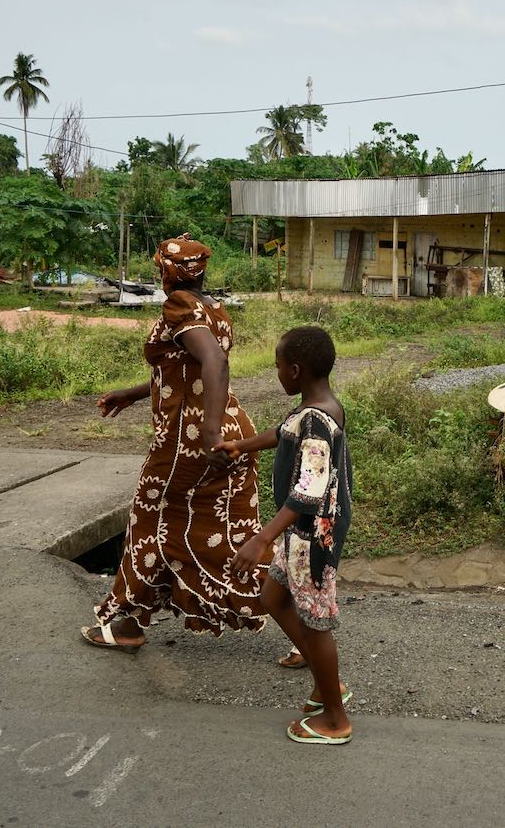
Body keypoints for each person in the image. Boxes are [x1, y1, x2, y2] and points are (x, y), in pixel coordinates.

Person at [81, 234, 266, 651]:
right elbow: (184, 371)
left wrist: (210, 433)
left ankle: (127, 622)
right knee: (226, 533)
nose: (157, 274)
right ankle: (303, 622)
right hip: (229, 430)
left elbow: (214, 362)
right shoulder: (213, 308)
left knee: (149, 522)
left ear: (169, 271)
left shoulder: (180, 305)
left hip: (189, 440)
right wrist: (131, 394)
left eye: (159, 267)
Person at [219, 325, 354, 745]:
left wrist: (261, 537)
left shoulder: (315, 419)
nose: (275, 372)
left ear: (295, 370)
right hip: (300, 530)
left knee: (315, 622)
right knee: (273, 597)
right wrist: (242, 445)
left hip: (312, 534)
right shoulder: (314, 407)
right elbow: (281, 435)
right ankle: (326, 683)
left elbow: (309, 490)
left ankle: (335, 718)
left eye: (277, 366)